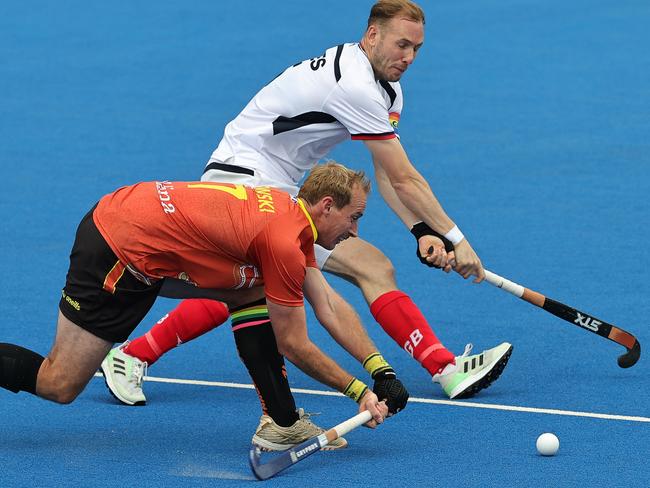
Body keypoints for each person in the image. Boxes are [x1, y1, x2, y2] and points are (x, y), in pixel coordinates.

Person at [101, 0, 512, 450]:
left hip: (280, 186)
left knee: (362, 268)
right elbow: (405, 176)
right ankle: (436, 370)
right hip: (243, 179)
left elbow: (386, 172)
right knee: (274, 283)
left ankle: (135, 355)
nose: (408, 57)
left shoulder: (388, 89)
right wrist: (456, 238)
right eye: (401, 44)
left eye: (416, 48)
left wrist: (421, 231)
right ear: (371, 35)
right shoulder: (355, 85)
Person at [0, 163, 405, 448]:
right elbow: (293, 343)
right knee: (60, 384)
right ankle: (282, 421)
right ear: (327, 205)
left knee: (248, 289)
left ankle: (281, 424)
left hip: (136, 220)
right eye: (355, 218)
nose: (355, 231)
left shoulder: (291, 216)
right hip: (118, 251)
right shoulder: (283, 241)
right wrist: (357, 392)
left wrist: (379, 370)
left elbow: (328, 307)